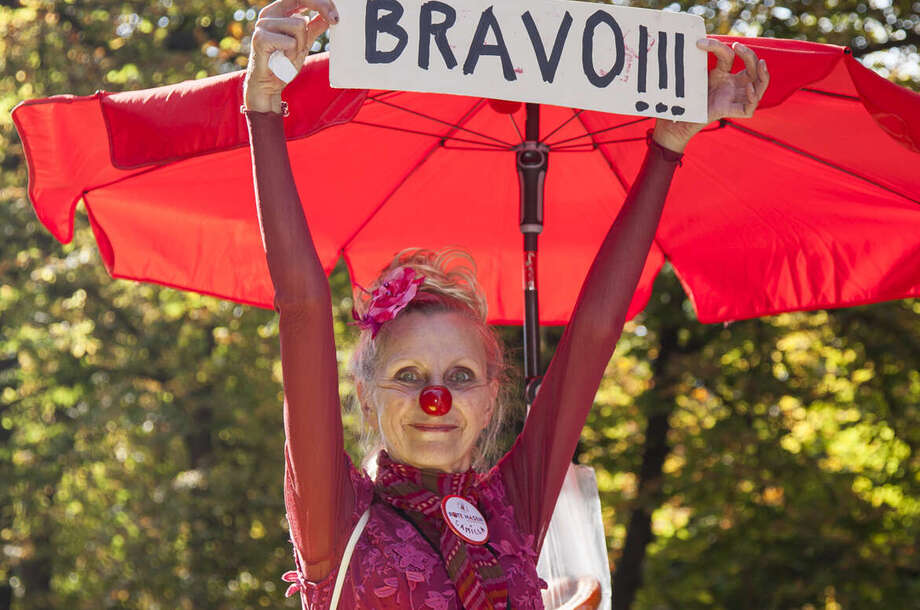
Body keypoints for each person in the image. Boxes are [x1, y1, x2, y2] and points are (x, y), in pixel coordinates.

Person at [241, 1, 770, 607]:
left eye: (459, 377)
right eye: (408, 376)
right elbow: (303, 308)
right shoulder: (337, 518)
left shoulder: (512, 507)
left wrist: (669, 142)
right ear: (365, 392)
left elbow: (595, 332)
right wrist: (262, 104)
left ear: (493, 396)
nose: (433, 400)